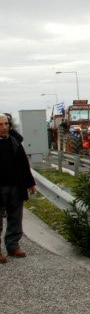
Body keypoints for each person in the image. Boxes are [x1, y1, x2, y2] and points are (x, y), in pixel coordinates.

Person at [0, 113, 36, 264]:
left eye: (6, 124)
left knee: (15, 217)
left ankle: (13, 246)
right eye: (0, 125)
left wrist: (30, 183)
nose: (4, 127)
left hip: (15, 186)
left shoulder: (14, 142)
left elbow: (23, 164)